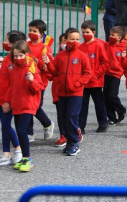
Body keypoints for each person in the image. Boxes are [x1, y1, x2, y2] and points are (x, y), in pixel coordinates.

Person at [44, 28, 91, 156]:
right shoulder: (60, 56)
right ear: (66, 40)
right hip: (62, 92)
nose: (74, 41)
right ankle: (69, 140)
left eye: (77, 39)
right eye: (71, 39)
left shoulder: (82, 55)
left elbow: (87, 73)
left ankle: (74, 142)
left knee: (71, 116)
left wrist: (78, 83)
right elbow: (54, 73)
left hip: (76, 92)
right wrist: (48, 63)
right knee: (64, 117)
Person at [3, 40, 44, 172]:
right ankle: (23, 158)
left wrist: (32, 80)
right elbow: (11, 87)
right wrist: (7, 101)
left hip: (28, 104)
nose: (18, 58)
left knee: (21, 130)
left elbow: (39, 87)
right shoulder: (13, 68)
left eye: (21, 55)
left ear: (27, 54)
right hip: (17, 104)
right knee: (20, 132)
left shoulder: (32, 67)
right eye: (16, 56)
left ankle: (27, 158)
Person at [0, 30, 25, 167]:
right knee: (4, 126)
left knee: (6, 125)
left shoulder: (15, 60)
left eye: (7, 41)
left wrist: (7, 101)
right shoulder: (8, 58)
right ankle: (6, 154)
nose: (5, 43)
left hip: (8, 99)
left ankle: (18, 150)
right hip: (1, 98)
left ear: (14, 43)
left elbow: (13, 83)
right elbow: (3, 78)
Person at [78, 20, 109, 133]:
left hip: (96, 81)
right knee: (83, 104)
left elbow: (105, 63)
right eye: (83, 32)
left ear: (93, 32)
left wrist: (96, 75)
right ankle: (81, 126)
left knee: (99, 103)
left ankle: (103, 123)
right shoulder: (80, 47)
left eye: (87, 32)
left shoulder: (99, 45)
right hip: (84, 82)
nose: (85, 35)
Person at [26, 20, 55, 142]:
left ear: (42, 34)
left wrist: (41, 63)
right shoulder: (25, 45)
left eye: (35, 31)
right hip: (26, 80)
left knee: (36, 106)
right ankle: (29, 133)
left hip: (40, 82)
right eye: (30, 30)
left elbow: (48, 66)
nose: (31, 33)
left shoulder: (45, 48)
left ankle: (47, 123)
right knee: (27, 106)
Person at [104, 26, 127, 126]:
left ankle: (121, 110)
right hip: (106, 73)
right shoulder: (107, 45)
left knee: (112, 95)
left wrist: (123, 58)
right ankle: (112, 118)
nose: (110, 36)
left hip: (116, 74)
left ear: (119, 37)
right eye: (110, 34)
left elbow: (126, 63)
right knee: (105, 97)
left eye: (113, 35)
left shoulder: (124, 47)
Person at [53, 32, 68, 147]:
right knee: (60, 114)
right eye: (64, 41)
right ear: (60, 43)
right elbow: (51, 74)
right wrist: (46, 64)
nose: (67, 44)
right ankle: (63, 135)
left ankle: (73, 132)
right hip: (58, 90)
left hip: (72, 91)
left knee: (71, 114)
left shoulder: (77, 55)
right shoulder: (57, 57)